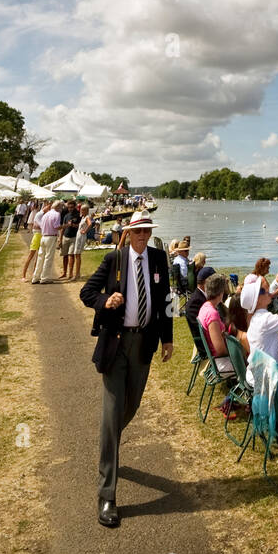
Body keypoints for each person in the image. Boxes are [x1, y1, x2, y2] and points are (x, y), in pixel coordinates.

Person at [80, 212, 173, 527]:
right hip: (115, 346)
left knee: (129, 406)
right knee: (112, 411)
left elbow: (167, 301)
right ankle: (107, 495)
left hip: (143, 345)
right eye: (138, 232)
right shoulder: (114, 259)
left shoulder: (159, 259)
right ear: (129, 233)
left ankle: (110, 445)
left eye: (147, 231)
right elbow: (86, 293)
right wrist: (106, 300)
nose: (143, 237)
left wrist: (168, 340)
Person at [240, 271, 278, 383]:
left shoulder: (254, 318)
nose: (268, 292)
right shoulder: (266, 320)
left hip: (256, 373)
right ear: (257, 299)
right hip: (267, 382)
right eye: (264, 290)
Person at [198, 273, 238, 419]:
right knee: (251, 364)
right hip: (219, 363)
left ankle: (235, 399)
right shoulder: (213, 314)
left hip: (215, 360)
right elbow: (220, 349)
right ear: (221, 292)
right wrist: (239, 350)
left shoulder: (205, 307)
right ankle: (229, 402)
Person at [32, 201, 63, 283]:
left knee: (40, 257)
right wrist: (65, 225)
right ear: (58, 207)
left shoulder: (46, 214)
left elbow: (41, 224)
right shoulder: (57, 214)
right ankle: (45, 277)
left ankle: (36, 277)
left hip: (43, 236)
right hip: (51, 237)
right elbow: (56, 226)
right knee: (48, 257)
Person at [59, 199, 81, 280]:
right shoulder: (66, 215)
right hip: (65, 237)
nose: (70, 209)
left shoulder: (78, 215)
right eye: (68, 207)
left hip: (74, 237)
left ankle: (70, 273)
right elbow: (63, 228)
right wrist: (60, 239)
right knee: (65, 255)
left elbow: (80, 226)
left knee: (71, 255)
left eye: (71, 207)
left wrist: (73, 225)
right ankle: (64, 272)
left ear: (75, 206)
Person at [22, 203, 44, 281]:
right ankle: (23, 275)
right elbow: (35, 226)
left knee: (38, 257)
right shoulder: (38, 215)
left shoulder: (42, 215)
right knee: (31, 255)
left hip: (42, 236)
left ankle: (35, 273)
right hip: (37, 236)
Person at [70, 203, 92, 282]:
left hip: (81, 236)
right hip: (79, 235)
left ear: (86, 210)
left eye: (82, 210)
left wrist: (85, 231)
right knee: (77, 254)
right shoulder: (83, 217)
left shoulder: (86, 217)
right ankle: (77, 273)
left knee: (77, 254)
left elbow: (90, 224)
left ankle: (77, 274)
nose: (81, 211)